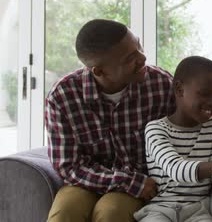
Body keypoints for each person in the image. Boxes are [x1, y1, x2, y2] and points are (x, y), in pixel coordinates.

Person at [45, 19, 175, 222]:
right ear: (99, 71)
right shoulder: (63, 96)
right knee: (64, 214)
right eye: (130, 58)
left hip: (141, 181)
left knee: (111, 212)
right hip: (88, 182)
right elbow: (69, 166)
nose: (143, 57)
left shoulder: (161, 84)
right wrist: (127, 181)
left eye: (138, 46)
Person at [134, 56, 212, 222]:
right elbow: (176, 169)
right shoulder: (155, 129)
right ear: (179, 89)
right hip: (160, 209)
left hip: (198, 210)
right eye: (204, 94)